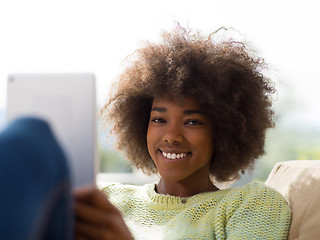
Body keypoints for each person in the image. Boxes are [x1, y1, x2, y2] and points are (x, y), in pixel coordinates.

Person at [75, 27, 291, 239]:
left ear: (223, 132)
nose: (171, 136)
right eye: (159, 119)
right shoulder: (105, 198)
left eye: (192, 122)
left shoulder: (252, 204)